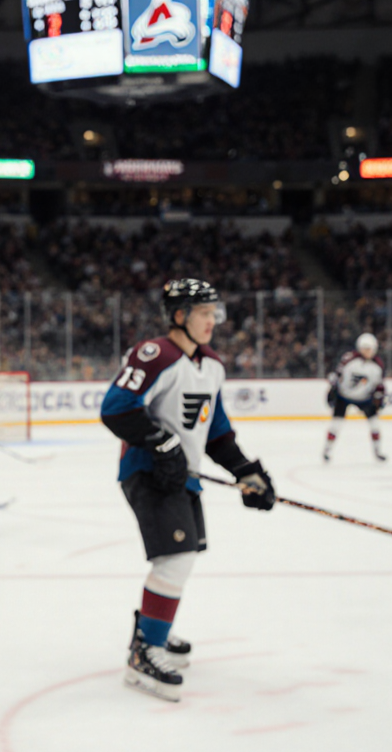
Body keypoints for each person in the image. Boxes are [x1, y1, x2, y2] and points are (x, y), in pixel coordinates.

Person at [99, 278, 276, 702]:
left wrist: (246, 471)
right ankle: (145, 651)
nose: (212, 320)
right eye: (203, 313)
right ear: (179, 315)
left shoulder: (211, 364)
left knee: (181, 558)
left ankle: (151, 631)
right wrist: (162, 442)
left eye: (215, 312)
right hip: (149, 473)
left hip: (184, 477)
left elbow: (215, 429)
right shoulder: (156, 354)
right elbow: (116, 408)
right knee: (174, 559)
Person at [323, 332, 387, 462]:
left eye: (369, 349)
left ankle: (377, 451)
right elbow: (336, 375)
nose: (367, 351)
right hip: (343, 396)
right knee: (336, 425)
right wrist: (332, 389)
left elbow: (379, 385)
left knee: (374, 424)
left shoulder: (377, 365)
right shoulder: (349, 359)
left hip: (364, 398)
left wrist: (379, 396)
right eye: (364, 348)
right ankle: (327, 450)